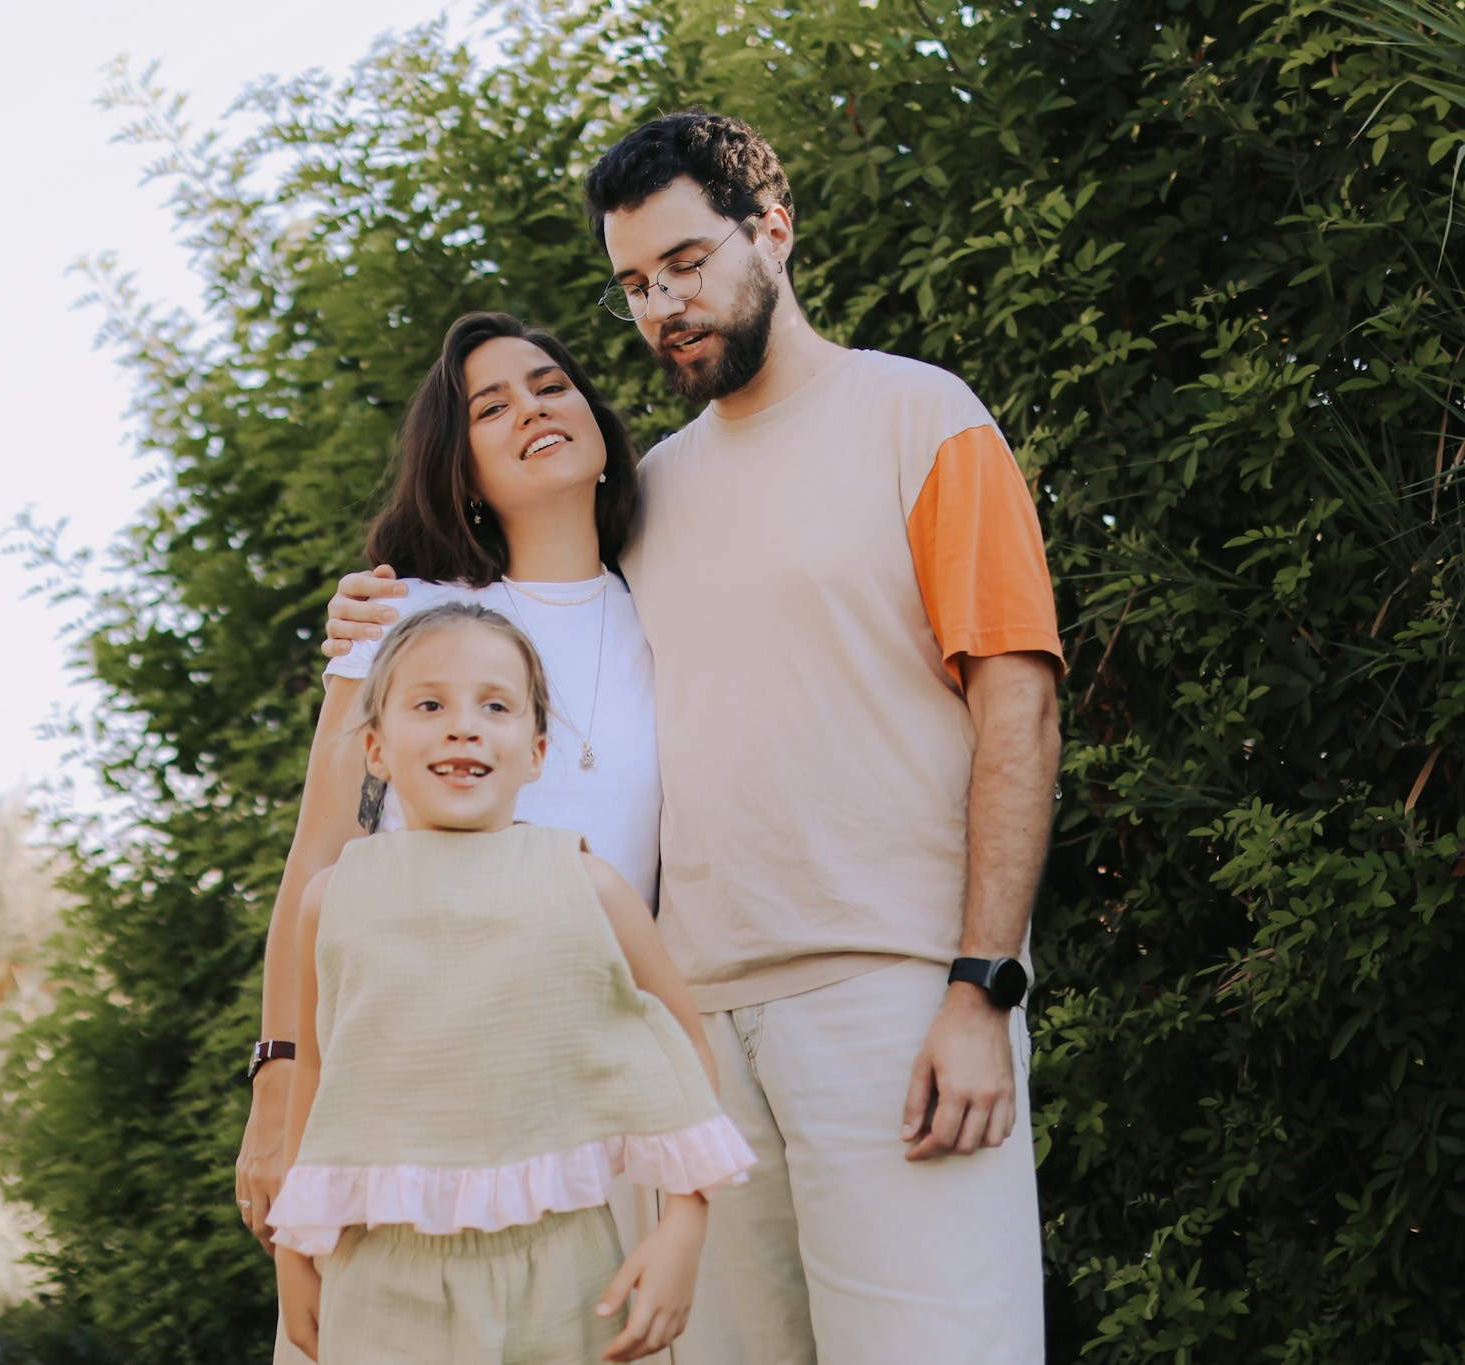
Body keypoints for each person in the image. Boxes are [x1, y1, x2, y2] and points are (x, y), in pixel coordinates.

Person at [324, 111, 1065, 1363]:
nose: (664, 305)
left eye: (686, 263)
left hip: (888, 1001)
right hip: (685, 1031)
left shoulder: (920, 419)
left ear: (769, 231)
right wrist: (373, 612)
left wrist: (981, 986)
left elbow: (1018, 702)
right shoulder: (649, 493)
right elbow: (524, 614)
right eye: (633, 286)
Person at [268, 601, 756, 1363]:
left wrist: (684, 1226)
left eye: (494, 705)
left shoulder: (586, 883)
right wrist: (290, 1252)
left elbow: (686, 1047)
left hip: (563, 1272)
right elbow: (319, 1081)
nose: (463, 725)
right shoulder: (333, 898)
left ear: (536, 750)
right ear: (375, 747)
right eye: (429, 704)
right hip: (381, 1278)